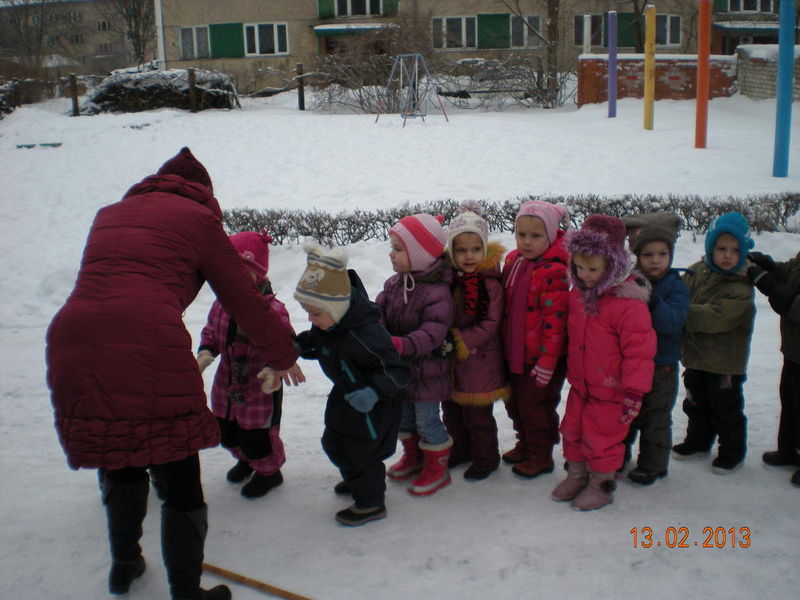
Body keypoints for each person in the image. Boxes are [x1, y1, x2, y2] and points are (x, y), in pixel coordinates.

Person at [45, 147, 298, 600]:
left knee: (119, 454)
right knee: (177, 472)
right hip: (148, 339)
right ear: (204, 195)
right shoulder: (199, 220)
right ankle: (186, 592)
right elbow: (244, 299)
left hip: (74, 336)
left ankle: (124, 565)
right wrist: (282, 355)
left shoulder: (110, 214)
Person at [293, 243, 410, 526]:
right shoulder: (330, 325)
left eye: (315, 313)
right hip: (345, 397)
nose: (310, 319)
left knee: (362, 453)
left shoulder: (367, 335)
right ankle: (356, 478)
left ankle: (371, 503)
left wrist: (374, 392)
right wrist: (296, 346)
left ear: (336, 308)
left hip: (374, 405)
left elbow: (398, 371)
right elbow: (315, 342)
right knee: (333, 442)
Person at [552, 214, 656, 511]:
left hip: (612, 390)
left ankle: (601, 485)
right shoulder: (578, 295)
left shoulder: (628, 304)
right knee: (572, 430)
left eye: (592, 269)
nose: (584, 275)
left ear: (612, 265)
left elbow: (639, 352)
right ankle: (577, 475)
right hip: (581, 385)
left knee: (602, 439)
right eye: (578, 267)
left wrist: (634, 391)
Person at [197, 231, 305, 499]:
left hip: (261, 387)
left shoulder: (272, 309)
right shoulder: (222, 304)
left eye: (242, 272)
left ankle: (269, 472)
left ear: (259, 274)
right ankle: (245, 459)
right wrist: (206, 350)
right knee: (227, 430)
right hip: (226, 383)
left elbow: (286, 342)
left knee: (258, 436)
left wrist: (275, 367)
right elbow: (211, 330)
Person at [377, 213, 455, 496]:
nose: (391, 254)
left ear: (419, 255)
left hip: (427, 372)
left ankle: (437, 467)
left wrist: (402, 344)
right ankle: (413, 457)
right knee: (403, 418)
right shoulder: (393, 284)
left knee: (427, 421)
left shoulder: (437, 292)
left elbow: (433, 332)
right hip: (401, 370)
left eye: (398, 249)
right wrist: (376, 332)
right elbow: (378, 312)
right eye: (392, 247)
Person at [672, 212, 756, 475]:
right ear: (710, 247)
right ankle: (698, 441)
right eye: (721, 249)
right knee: (696, 402)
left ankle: (732, 452)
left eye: (735, 250)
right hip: (696, 357)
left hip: (724, 364)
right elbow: (680, 291)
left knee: (725, 408)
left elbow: (714, 317)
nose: (728, 255)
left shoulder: (741, 284)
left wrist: (679, 311)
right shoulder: (698, 271)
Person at [500, 200, 570, 478]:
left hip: (541, 358)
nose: (527, 241)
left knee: (536, 408)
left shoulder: (554, 271)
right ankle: (525, 443)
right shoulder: (513, 261)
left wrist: (548, 360)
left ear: (550, 236)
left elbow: (556, 323)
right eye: (521, 234)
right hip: (515, 353)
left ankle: (541, 455)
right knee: (514, 403)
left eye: (536, 236)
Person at [620, 212, 690, 485]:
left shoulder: (677, 286)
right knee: (626, 413)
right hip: (631, 364)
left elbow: (672, 322)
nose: (656, 260)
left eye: (662, 254)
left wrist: (651, 300)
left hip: (662, 366)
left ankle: (653, 464)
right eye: (648, 254)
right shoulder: (628, 282)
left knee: (655, 417)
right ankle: (618, 455)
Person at [443, 202, 510, 481]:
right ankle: (460, 449)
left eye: (475, 249)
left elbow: (491, 323)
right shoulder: (450, 280)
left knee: (477, 417)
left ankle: (486, 458)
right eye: (461, 250)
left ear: (484, 249)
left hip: (480, 360)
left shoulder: (488, 283)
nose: (469, 256)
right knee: (452, 412)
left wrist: (460, 340)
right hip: (453, 361)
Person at [747, 249, 800, 487]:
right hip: (794, 350)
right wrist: (769, 265)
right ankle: (789, 450)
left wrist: (771, 286)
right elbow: (790, 272)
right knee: (790, 401)